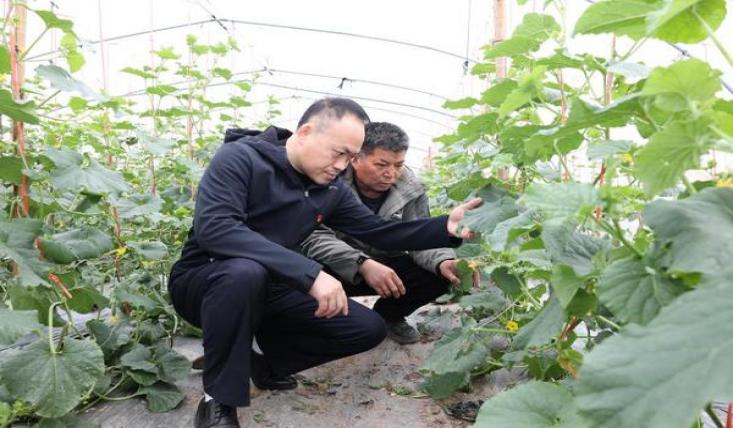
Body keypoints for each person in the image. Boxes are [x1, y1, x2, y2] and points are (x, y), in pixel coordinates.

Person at [167, 97, 480, 428]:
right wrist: (310, 274)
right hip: (207, 284)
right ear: (304, 133)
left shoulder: (329, 188)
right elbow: (217, 229)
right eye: (339, 153)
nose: (342, 166)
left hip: (271, 288)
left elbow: (380, 232)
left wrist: (444, 227)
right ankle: (218, 402)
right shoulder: (241, 157)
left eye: (350, 157)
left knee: (366, 328)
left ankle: (262, 363)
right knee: (245, 270)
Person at [301, 122, 461, 344]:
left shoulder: (411, 188)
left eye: (399, 165)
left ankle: (387, 317)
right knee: (297, 278)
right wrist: (361, 263)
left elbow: (420, 235)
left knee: (437, 275)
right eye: (382, 164)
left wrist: (443, 260)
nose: (391, 174)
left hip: (383, 264)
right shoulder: (330, 179)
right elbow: (313, 235)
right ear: (356, 159)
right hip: (332, 266)